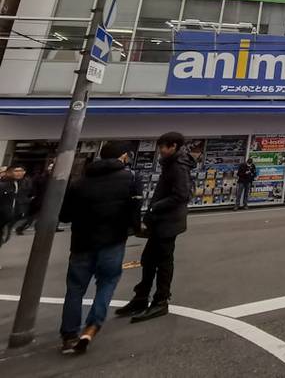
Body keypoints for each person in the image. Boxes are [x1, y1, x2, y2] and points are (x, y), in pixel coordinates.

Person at [58, 142, 142, 354]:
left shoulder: (80, 181)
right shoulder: (130, 179)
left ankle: (69, 335)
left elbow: (65, 215)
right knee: (107, 282)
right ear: (123, 157)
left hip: (81, 242)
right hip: (113, 240)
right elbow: (134, 212)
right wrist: (136, 228)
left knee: (75, 288)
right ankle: (92, 326)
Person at [116, 132, 195, 323]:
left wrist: (155, 206)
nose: (160, 150)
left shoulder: (178, 166)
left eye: (163, 146)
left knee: (163, 262)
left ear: (173, 146)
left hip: (168, 222)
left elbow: (182, 194)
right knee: (149, 259)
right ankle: (141, 297)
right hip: (162, 221)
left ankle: (160, 300)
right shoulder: (171, 163)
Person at [16, 162, 52, 235]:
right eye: (50, 167)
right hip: (38, 200)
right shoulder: (42, 177)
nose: (51, 168)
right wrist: (33, 196)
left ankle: (33, 227)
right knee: (32, 217)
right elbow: (36, 188)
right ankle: (21, 228)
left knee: (37, 216)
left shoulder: (47, 177)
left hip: (42, 199)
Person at [1, 165, 30, 244]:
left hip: (10, 217)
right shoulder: (4, 184)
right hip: (3, 216)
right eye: (16, 171)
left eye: (21, 171)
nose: (19, 173)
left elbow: (17, 198)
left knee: (5, 238)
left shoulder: (18, 184)